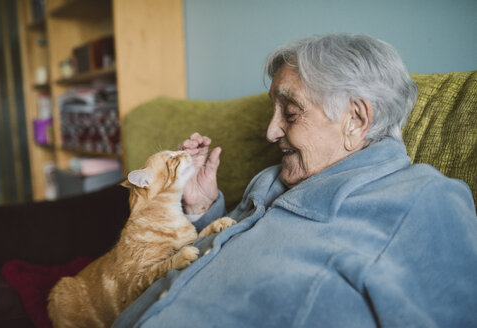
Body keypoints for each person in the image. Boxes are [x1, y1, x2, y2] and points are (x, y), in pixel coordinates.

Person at [114, 34, 477, 327]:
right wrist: (201, 206)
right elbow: (221, 258)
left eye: (290, 112)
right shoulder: (272, 179)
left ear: (356, 119)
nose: (272, 131)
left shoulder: (426, 199)